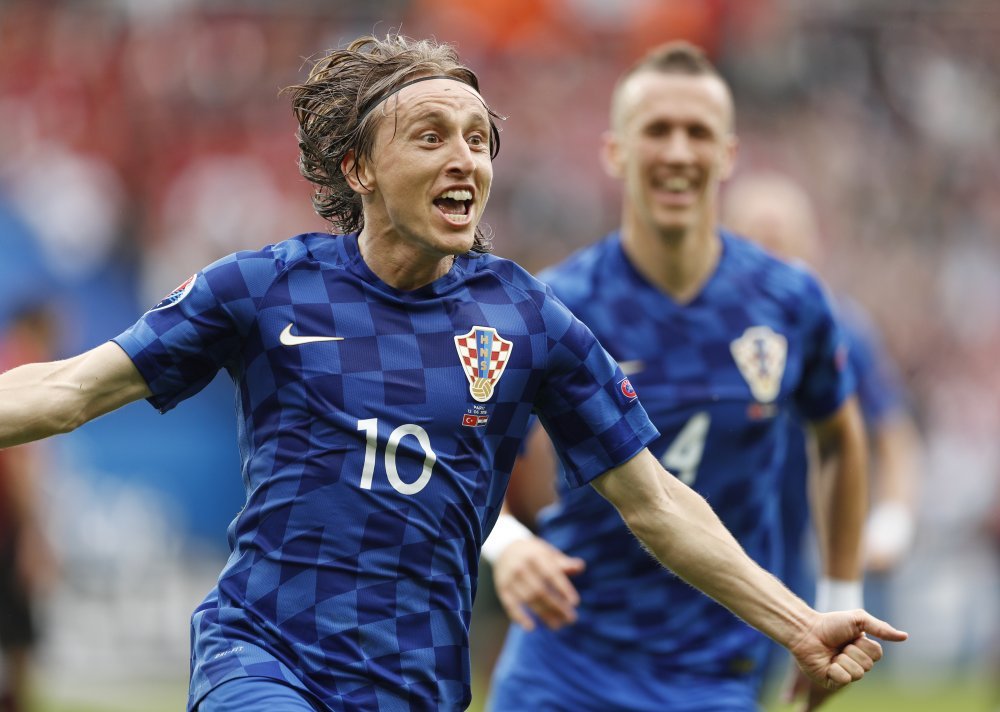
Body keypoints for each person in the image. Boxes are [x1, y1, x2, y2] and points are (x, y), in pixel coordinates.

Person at [0, 35, 904, 712]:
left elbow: (657, 502)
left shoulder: (530, 321)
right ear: (358, 167)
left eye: (477, 139)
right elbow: (71, 388)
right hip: (262, 657)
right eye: (431, 136)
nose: (465, 157)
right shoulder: (262, 290)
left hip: (416, 683)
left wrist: (801, 622)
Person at [486, 41, 876, 712]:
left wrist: (840, 597)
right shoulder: (558, 305)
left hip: (716, 668)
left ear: (728, 154)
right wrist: (510, 544)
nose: (676, 152)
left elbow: (840, 437)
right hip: (565, 663)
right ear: (615, 152)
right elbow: (469, 451)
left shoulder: (788, 301)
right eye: (657, 130)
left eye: (697, 133)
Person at [722, 170, 923, 696]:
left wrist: (893, 519)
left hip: (796, 541)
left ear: (810, 246)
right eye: (755, 241)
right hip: (711, 529)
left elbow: (891, 431)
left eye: (781, 241)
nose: (770, 258)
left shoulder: (839, 327)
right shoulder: (701, 325)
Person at [0, 303, 60, 712]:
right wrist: (33, 534)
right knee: (18, 632)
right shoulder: (23, 369)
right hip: (7, 525)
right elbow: (18, 462)